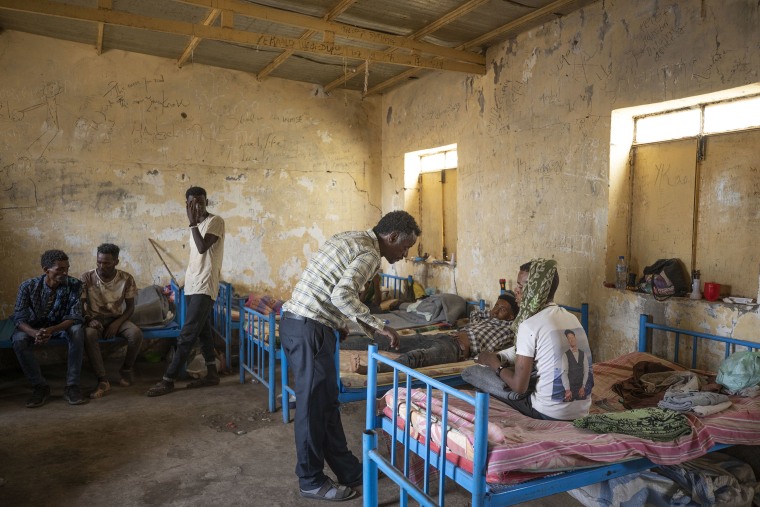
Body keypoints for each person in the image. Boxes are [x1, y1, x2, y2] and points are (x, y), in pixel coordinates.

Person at [280, 210, 420, 502]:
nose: (404, 254)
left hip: (302, 323)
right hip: (310, 328)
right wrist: (379, 325)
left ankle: (349, 470)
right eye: (404, 247)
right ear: (391, 237)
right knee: (312, 409)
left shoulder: (350, 237)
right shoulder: (370, 254)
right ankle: (310, 480)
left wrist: (338, 324)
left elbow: (329, 286)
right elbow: (341, 296)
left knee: (326, 403)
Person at [464, 259, 593, 421]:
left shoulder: (530, 324)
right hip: (581, 411)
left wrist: (494, 363)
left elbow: (519, 387)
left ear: (536, 289)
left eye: (522, 286)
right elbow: (528, 349)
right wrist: (501, 357)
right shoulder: (572, 318)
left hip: (547, 413)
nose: (516, 291)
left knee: (471, 373)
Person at [147, 186, 225, 397]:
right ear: (187, 205)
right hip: (192, 284)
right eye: (192, 203)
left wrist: (191, 222)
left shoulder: (215, 221)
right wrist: (185, 281)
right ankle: (211, 374)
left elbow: (202, 248)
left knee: (187, 334)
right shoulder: (196, 226)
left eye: (200, 202)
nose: (197, 206)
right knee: (204, 331)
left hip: (205, 285)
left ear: (206, 202)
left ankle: (168, 380)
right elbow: (197, 259)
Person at [349, 291, 519, 374]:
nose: (496, 310)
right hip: (445, 336)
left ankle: (373, 370)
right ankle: (343, 341)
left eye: (502, 309)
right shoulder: (487, 318)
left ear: (511, 316)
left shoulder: (509, 329)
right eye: (496, 305)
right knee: (394, 340)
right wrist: (492, 312)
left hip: (455, 349)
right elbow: (475, 314)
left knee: (417, 357)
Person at [12, 249, 87, 407]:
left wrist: (52, 330)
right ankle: (40, 387)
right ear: (46, 270)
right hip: (34, 328)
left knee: (77, 331)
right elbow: (19, 318)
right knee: (18, 339)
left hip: (60, 327)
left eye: (67, 268)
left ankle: (72, 386)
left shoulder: (75, 285)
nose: (65, 272)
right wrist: (34, 333)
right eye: (60, 269)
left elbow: (75, 316)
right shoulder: (27, 287)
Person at [81, 243, 144, 398]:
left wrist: (117, 323)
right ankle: (102, 379)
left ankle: (126, 369)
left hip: (116, 318)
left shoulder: (126, 278)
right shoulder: (87, 277)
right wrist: (89, 319)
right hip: (94, 319)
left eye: (107, 262)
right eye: (99, 261)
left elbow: (130, 307)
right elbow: (80, 305)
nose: (102, 266)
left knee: (136, 334)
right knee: (88, 335)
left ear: (116, 261)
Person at [561, 329, 590, 401]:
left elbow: (586, 371)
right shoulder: (565, 355)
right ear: (568, 341)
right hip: (570, 389)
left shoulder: (583, 354)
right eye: (569, 338)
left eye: (572, 337)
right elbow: (564, 373)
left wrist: (583, 387)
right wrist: (567, 390)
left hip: (581, 388)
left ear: (575, 338)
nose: (571, 340)